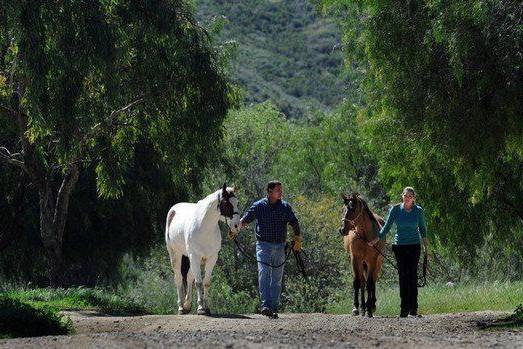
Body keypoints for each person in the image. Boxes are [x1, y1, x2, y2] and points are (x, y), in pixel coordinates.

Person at [232, 180, 302, 319]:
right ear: (270, 192)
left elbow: (294, 222)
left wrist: (297, 238)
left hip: (280, 246)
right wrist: (235, 230)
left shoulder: (285, 206)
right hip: (263, 246)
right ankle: (265, 305)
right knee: (263, 274)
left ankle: (273, 308)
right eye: (278, 190)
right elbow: (245, 220)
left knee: (276, 278)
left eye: (281, 190)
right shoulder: (259, 206)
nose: (281, 192)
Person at [368, 186, 428, 317]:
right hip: (399, 246)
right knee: (403, 276)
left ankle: (414, 308)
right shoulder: (395, 210)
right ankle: (404, 308)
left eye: (410, 196)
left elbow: (423, 229)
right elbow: (387, 226)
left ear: (414, 198)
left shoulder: (418, 211)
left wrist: (425, 246)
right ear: (402, 196)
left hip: (414, 246)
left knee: (412, 275)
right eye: (405, 195)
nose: (407, 198)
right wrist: (376, 239)